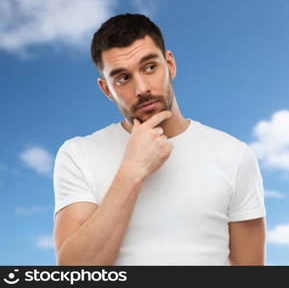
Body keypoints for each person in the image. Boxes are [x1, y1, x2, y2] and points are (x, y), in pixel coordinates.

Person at [52, 13, 266, 265]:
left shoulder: (234, 155)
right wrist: (132, 171)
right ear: (107, 89)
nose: (142, 88)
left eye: (150, 67)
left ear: (170, 65)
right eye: (123, 78)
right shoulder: (78, 155)